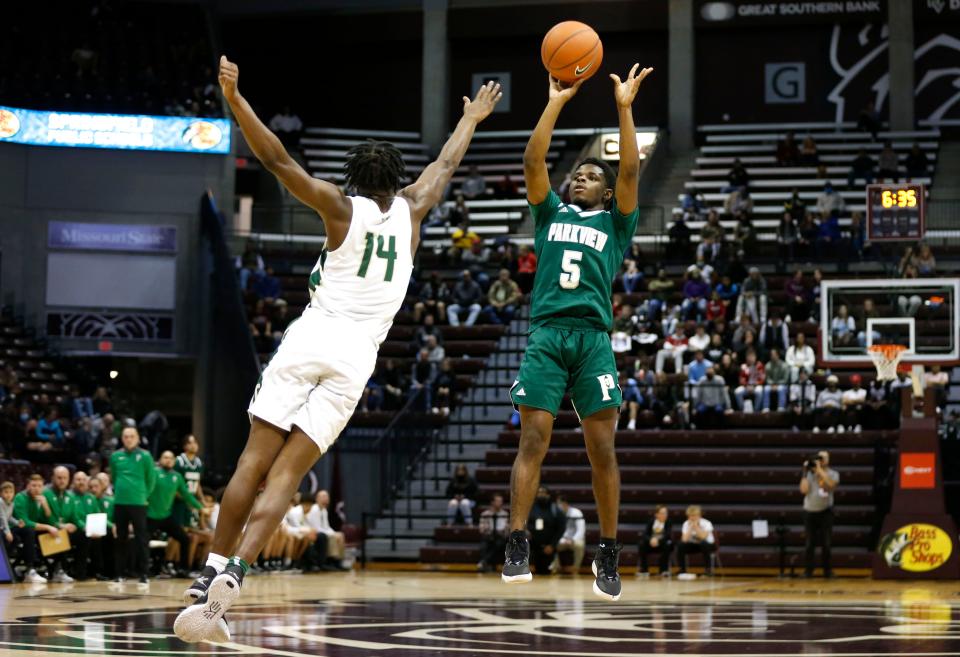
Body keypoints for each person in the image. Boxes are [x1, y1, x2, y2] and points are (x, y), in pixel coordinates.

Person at [174, 58, 501, 643]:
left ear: (354, 177)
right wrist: (471, 117)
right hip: (356, 358)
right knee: (291, 475)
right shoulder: (415, 208)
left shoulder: (338, 207)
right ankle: (240, 571)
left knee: (254, 459)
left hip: (313, 336)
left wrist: (236, 99)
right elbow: (447, 162)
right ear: (397, 179)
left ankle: (209, 575)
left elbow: (276, 160)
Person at [503, 64, 652, 603]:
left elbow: (631, 170)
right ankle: (517, 541)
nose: (578, 177)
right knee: (533, 439)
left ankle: (607, 551)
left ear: (608, 194)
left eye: (591, 176)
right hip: (547, 334)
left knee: (602, 449)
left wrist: (625, 107)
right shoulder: (549, 214)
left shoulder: (615, 223)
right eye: (578, 174)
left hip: (592, 340)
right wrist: (555, 101)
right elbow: (533, 160)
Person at [111, 427, 157, 585]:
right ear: (122, 439)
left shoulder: (145, 456)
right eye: (125, 436)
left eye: (131, 436)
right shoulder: (115, 456)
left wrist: (144, 496)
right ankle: (119, 573)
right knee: (120, 539)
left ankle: (144, 574)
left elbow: (151, 479)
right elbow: (114, 477)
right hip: (120, 502)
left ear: (137, 438)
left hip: (139, 503)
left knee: (141, 539)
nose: (128, 439)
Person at [800, 451, 839, 577]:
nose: (820, 460)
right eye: (819, 458)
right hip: (809, 511)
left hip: (825, 512)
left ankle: (827, 571)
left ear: (828, 460)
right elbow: (803, 490)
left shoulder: (833, 473)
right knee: (809, 543)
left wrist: (819, 470)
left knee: (826, 543)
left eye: (823, 458)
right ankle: (808, 571)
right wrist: (805, 472)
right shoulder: (809, 474)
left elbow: (831, 485)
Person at [1, 480, 46, 583]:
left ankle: (25, 569)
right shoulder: (0, 502)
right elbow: (2, 518)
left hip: (6, 528)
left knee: (22, 535)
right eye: (5, 492)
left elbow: (9, 517)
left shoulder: (11, 504)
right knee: (10, 538)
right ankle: (8, 568)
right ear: (1, 493)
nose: (8, 495)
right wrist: (8, 532)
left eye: (10, 492)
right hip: (3, 529)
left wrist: (17, 523)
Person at [44, 466, 81, 582]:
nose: (62, 481)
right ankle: (59, 570)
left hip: (63, 531)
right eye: (59, 478)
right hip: (46, 531)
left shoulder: (70, 496)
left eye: (65, 478)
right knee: (62, 533)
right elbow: (44, 517)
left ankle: (81, 572)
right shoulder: (45, 493)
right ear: (53, 478)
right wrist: (61, 526)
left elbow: (75, 518)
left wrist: (86, 528)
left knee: (84, 536)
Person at [526, 486, 565, 576]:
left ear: (548, 495)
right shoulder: (530, 508)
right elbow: (524, 522)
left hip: (549, 547)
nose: (541, 495)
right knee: (531, 573)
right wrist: (527, 531)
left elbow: (561, 528)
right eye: (539, 493)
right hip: (533, 547)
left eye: (543, 493)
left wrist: (552, 545)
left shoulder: (555, 509)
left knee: (544, 572)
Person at [305, 490, 347, 570]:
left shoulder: (324, 510)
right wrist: (332, 534)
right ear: (317, 498)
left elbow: (326, 527)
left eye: (327, 497)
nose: (326, 499)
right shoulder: (314, 510)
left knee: (340, 535)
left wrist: (334, 533)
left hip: (322, 532)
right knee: (332, 537)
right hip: (313, 533)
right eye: (323, 497)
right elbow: (317, 528)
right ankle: (332, 560)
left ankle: (339, 561)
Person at [677, 505, 716, 576]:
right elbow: (684, 539)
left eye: (694, 515)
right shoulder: (686, 524)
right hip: (694, 545)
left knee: (704, 543)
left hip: (708, 545)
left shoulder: (707, 523)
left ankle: (708, 570)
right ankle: (682, 570)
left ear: (699, 515)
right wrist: (690, 528)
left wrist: (696, 527)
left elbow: (703, 537)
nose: (692, 518)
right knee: (680, 545)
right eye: (690, 516)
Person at [551, 495, 586, 574]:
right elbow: (555, 530)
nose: (558, 505)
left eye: (560, 503)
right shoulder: (556, 514)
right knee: (553, 544)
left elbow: (581, 530)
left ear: (565, 504)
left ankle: (576, 568)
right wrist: (562, 540)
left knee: (580, 545)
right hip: (562, 539)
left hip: (575, 539)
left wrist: (572, 540)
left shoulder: (576, 513)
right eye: (557, 504)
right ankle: (555, 567)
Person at [637, 504, 673, 578]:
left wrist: (658, 540)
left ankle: (663, 570)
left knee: (668, 545)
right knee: (641, 544)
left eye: (666, 513)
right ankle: (644, 570)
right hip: (651, 543)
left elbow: (668, 535)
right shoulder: (651, 521)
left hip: (662, 543)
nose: (665, 515)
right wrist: (651, 540)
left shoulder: (668, 522)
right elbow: (645, 534)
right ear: (656, 514)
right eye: (662, 513)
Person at [477, 493, 509, 573]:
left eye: (501, 501)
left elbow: (507, 529)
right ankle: (485, 563)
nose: (500, 503)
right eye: (498, 501)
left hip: (501, 537)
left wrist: (502, 531)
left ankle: (483, 562)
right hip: (489, 535)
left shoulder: (505, 514)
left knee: (499, 543)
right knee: (484, 544)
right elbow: (481, 529)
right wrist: (490, 531)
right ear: (492, 502)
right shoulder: (485, 514)